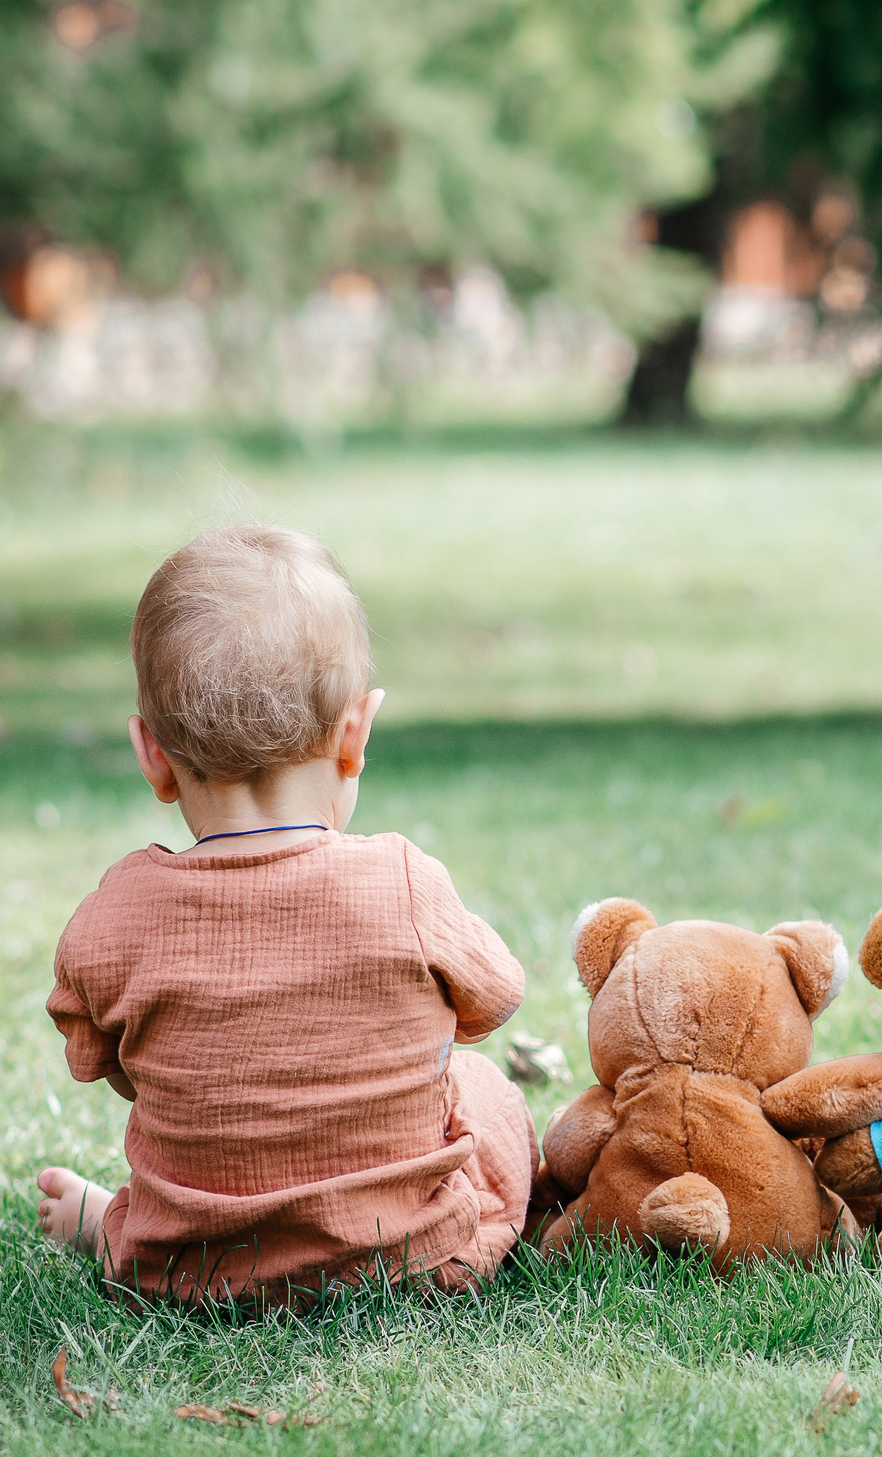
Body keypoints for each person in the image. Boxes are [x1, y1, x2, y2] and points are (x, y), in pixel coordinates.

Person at [35, 524, 534, 1305]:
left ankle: (114, 1227)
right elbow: (496, 998)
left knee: (190, 1149)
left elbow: (96, 1058)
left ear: (152, 756)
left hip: (187, 1273)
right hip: (413, 1264)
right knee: (483, 1088)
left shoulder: (117, 916)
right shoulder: (401, 881)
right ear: (355, 734)